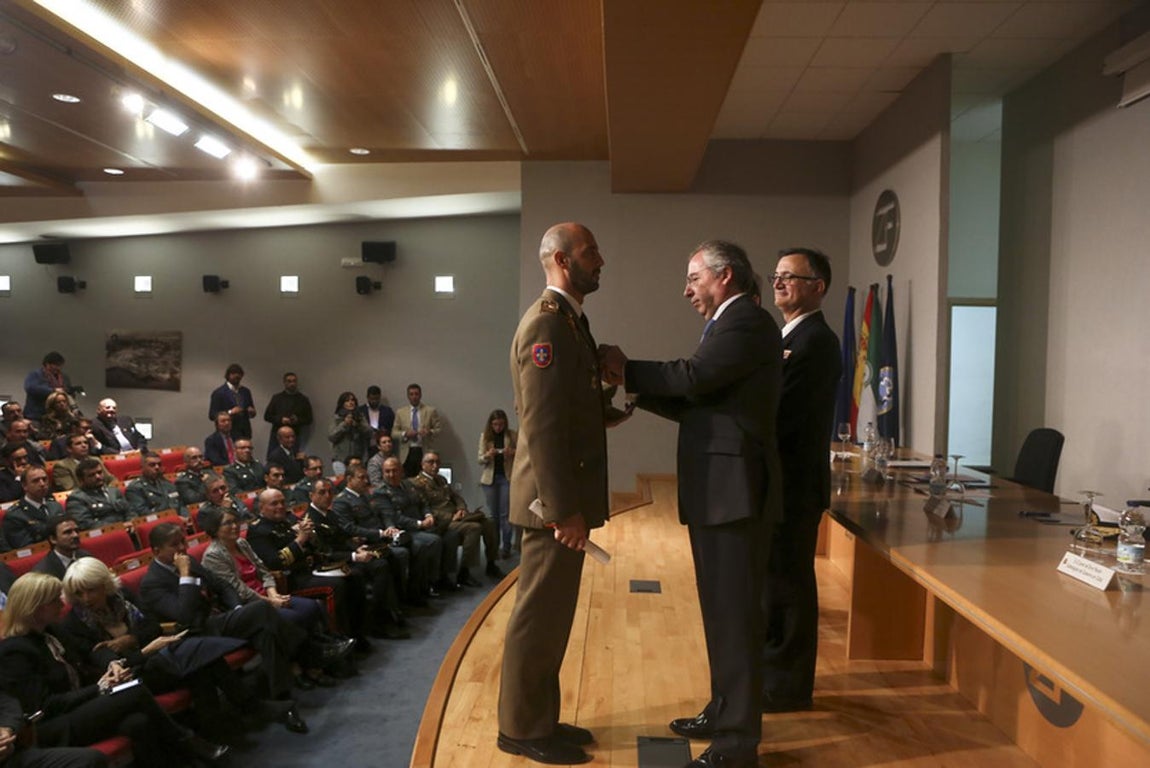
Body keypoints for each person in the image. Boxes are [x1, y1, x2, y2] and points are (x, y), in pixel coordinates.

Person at [600, 239, 782, 768]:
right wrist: (634, 389)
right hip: (722, 493)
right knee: (723, 616)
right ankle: (724, 711)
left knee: (737, 618)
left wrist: (627, 369)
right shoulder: (735, 323)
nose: (687, 290)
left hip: (735, 494)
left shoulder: (744, 321)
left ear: (724, 276)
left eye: (694, 278)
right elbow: (705, 401)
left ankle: (736, 744)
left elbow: (696, 377)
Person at [496, 222, 614, 765]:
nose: (600, 260)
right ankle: (520, 727)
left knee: (553, 617)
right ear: (563, 260)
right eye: (591, 253)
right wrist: (563, 511)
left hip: (561, 502)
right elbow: (540, 427)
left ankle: (540, 717)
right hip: (551, 507)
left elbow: (570, 405)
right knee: (538, 617)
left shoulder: (568, 320)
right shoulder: (547, 324)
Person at [0, 573, 229, 766]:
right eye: (54, 600)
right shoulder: (15, 651)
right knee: (133, 691)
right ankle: (188, 741)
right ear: (35, 608)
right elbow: (45, 706)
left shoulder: (51, 630)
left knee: (138, 722)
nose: (62, 604)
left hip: (80, 706)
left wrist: (112, 666)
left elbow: (91, 654)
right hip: (55, 725)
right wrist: (100, 688)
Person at [58, 557, 299, 733]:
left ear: (105, 585)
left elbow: (151, 625)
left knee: (199, 662)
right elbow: (102, 663)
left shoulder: (122, 599)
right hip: (128, 677)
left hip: (153, 657)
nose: (86, 599)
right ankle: (249, 707)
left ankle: (222, 726)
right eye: (78, 593)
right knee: (195, 654)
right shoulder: (74, 623)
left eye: (91, 590)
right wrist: (143, 650)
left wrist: (131, 640)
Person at [759, 248, 842, 713]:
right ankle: (774, 674)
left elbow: (783, 413)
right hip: (781, 482)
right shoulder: (789, 335)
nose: (779, 282)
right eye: (777, 275)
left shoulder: (816, 341)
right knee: (775, 582)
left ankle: (788, 686)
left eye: (791, 276)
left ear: (818, 286)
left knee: (789, 585)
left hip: (794, 483)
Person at [137, 523, 309, 730]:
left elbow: (221, 585)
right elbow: (185, 614)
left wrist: (236, 607)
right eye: (174, 545)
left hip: (218, 619)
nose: (182, 548)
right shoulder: (152, 582)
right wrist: (185, 575)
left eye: (183, 542)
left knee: (263, 628)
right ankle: (312, 652)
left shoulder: (189, 560)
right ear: (156, 551)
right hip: (194, 632)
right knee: (260, 611)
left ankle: (280, 698)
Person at [197, 505, 350, 689]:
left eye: (236, 521)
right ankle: (303, 666)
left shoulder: (242, 544)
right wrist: (270, 601)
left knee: (310, 607)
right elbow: (237, 590)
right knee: (293, 618)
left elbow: (264, 571)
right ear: (215, 529)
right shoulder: (213, 555)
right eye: (228, 523)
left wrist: (273, 593)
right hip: (248, 607)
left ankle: (312, 663)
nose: (235, 526)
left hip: (268, 594)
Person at [413, 451, 502, 584]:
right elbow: (425, 508)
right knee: (474, 527)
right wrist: (452, 516)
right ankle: (464, 572)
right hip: (441, 521)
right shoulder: (418, 483)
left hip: (456, 515)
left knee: (489, 522)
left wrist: (461, 508)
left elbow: (456, 496)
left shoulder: (441, 479)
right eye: (431, 462)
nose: (435, 465)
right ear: (422, 465)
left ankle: (491, 563)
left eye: (437, 462)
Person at [369, 457, 446, 604]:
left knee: (447, 533)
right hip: (404, 531)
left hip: (421, 525)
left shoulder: (408, 485)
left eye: (394, 471)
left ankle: (433, 581)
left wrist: (428, 515)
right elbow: (394, 517)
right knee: (430, 542)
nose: (391, 475)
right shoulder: (381, 492)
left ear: (401, 471)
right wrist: (419, 524)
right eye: (387, 472)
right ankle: (420, 588)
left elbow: (423, 502)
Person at [0, 687, 108, 768]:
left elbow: (8, 704)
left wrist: (7, 728)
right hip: (51, 723)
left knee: (91, 760)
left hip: (14, 757)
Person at [477, 409, 517, 559]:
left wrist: (512, 453)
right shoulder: (485, 437)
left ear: (505, 423)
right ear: (491, 424)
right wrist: (488, 455)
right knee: (493, 516)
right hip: (490, 480)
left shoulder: (512, 435)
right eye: (495, 424)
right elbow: (480, 459)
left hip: (506, 478)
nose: (498, 427)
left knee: (505, 514)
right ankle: (494, 546)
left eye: (501, 424)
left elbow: (522, 453)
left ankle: (506, 547)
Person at [2, 467, 63, 549]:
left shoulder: (55, 506)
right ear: (24, 486)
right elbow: (28, 548)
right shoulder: (15, 515)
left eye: (44, 479)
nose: (42, 484)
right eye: (36, 481)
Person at [63, 460, 131, 530]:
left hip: (128, 530)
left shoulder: (113, 490)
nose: (98, 477)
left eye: (99, 472)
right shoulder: (76, 498)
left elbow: (129, 510)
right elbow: (85, 524)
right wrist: (119, 527)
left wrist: (131, 522)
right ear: (81, 480)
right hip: (104, 535)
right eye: (91, 475)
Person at [391, 384, 442, 477]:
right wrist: (405, 434)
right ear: (408, 396)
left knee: (425, 478)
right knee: (407, 480)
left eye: (416, 394)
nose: (414, 397)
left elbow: (439, 430)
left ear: (420, 395)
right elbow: (394, 433)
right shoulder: (400, 412)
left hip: (424, 450)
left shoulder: (430, 411)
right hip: (407, 452)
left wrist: (429, 432)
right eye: (411, 394)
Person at [262, 372, 313, 455]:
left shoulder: (303, 399)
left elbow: (309, 419)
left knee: (292, 461)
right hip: (277, 435)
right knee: (274, 460)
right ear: (284, 383)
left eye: (294, 381)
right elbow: (267, 416)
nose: (292, 384)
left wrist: (297, 420)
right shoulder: (277, 398)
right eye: (289, 381)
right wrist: (281, 419)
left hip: (294, 436)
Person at [124, 452, 186, 519]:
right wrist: (174, 518)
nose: (157, 467)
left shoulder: (167, 483)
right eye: (152, 465)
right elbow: (143, 514)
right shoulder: (135, 488)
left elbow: (181, 504)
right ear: (142, 467)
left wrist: (186, 517)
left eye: (159, 464)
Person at [22, 352, 75, 423]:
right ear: (47, 364)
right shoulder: (36, 374)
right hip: (36, 415)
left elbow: (67, 390)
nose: (59, 368)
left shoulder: (64, 377)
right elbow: (30, 388)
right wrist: (53, 391)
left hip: (57, 416)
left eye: (60, 365)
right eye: (56, 365)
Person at [208, 364, 256, 441]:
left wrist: (252, 412)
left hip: (244, 431)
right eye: (234, 374)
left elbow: (251, 411)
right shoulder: (219, 392)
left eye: (239, 376)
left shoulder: (246, 391)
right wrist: (230, 412)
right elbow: (212, 415)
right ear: (228, 375)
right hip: (227, 432)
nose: (237, 377)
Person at [327, 392, 371, 476]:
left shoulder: (360, 416)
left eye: (352, 400)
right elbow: (332, 436)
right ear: (342, 403)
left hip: (358, 458)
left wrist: (358, 425)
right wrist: (344, 424)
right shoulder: (337, 418)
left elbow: (369, 433)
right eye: (347, 401)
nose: (351, 402)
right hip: (340, 458)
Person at [357, 386, 395, 455]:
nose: (374, 401)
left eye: (376, 399)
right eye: (372, 399)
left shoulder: (387, 411)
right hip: (364, 446)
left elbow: (392, 428)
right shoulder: (360, 411)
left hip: (382, 447)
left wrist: (384, 431)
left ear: (379, 397)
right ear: (367, 397)